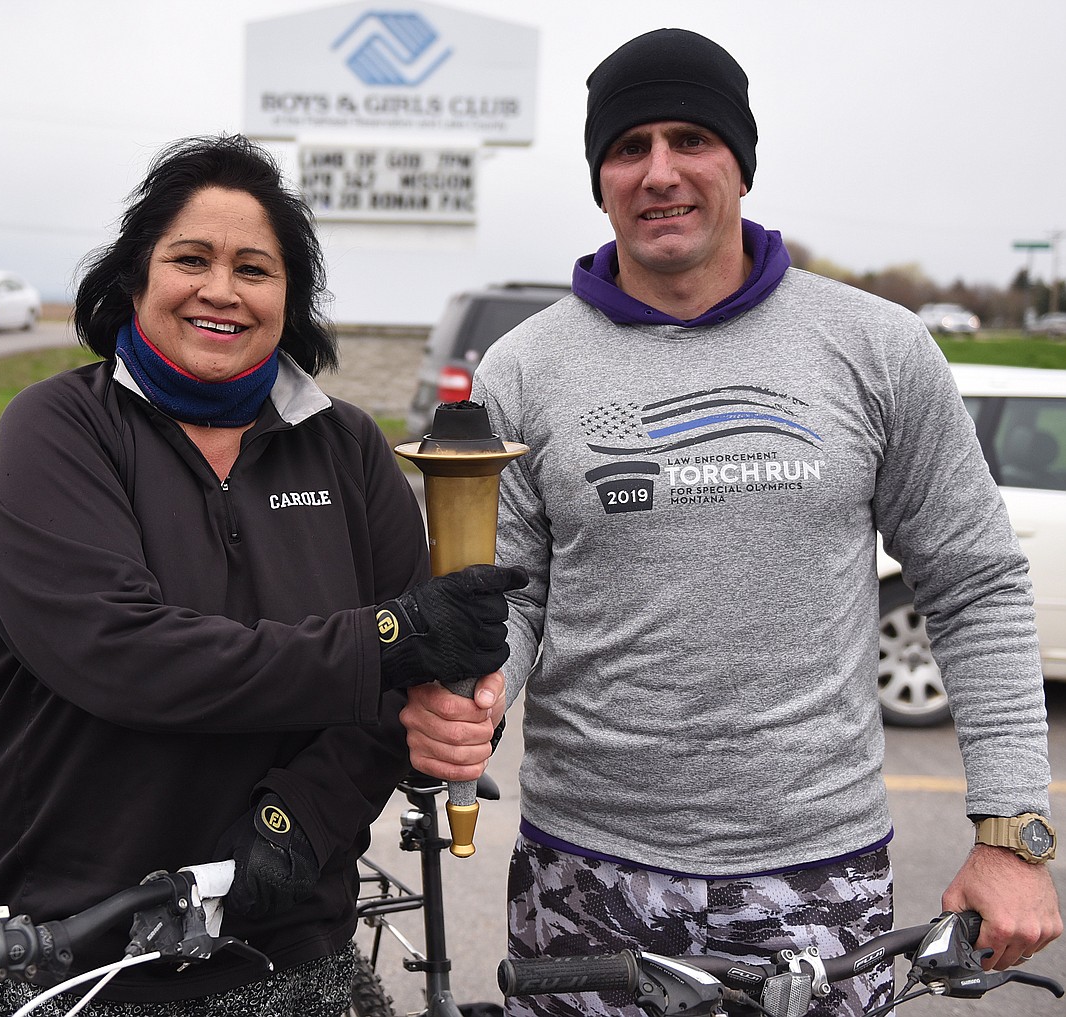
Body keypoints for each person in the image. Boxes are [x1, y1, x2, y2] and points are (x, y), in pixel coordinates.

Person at [400, 28, 1062, 1017]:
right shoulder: (524, 371)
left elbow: (974, 587)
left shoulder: (874, 346)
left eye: (691, 139)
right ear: (600, 179)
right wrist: (481, 692)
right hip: (587, 877)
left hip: (817, 880)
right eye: (629, 148)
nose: (660, 172)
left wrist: (1012, 833)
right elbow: (517, 597)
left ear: (740, 162)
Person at [0, 134, 525, 1016]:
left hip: (295, 949)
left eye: (254, 267)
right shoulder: (59, 430)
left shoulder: (347, 448)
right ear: (135, 279)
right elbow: (124, 654)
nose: (221, 289)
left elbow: (402, 687)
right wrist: (387, 636)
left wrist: (295, 819)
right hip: (73, 948)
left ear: (288, 296)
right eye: (192, 258)